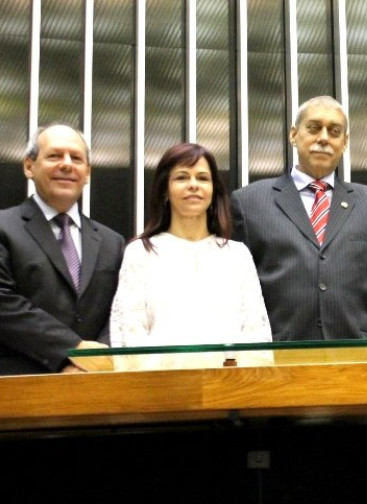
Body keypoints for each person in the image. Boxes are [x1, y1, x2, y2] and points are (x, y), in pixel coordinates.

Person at [231, 96, 367, 340]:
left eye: (334, 132)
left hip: (357, 356)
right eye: (313, 128)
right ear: (294, 134)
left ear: (344, 143)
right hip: (279, 356)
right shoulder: (249, 203)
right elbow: (236, 295)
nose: (324, 138)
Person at [110, 143, 271, 369]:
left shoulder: (237, 255)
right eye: (182, 177)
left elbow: (257, 337)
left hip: (230, 392)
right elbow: (129, 337)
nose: (193, 185)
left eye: (203, 178)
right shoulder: (140, 253)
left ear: (214, 190)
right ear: (165, 190)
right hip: (160, 394)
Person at [0, 124, 125, 375]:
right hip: (19, 386)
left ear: (87, 172)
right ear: (29, 166)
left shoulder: (113, 242)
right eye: (54, 156)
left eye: (76, 158)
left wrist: (99, 356)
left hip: (98, 385)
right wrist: (73, 351)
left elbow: (121, 310)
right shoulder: (4, 227)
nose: (67, 164)